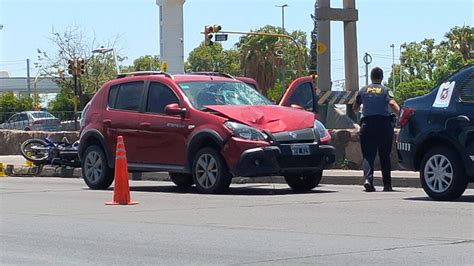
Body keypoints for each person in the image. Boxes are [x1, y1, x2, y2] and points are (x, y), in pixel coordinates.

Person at [353, 67, 400, 192]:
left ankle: (368, 180)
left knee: (368, 155)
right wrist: (401, 113)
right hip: (383, 125)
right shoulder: (385, 90)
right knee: (385, 155)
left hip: (367, 125)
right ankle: (387, 185)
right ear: (382, 77)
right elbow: (391, 103)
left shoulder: (363, 90)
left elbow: (355, 107)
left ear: (371, 77)